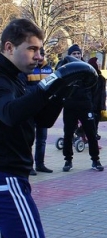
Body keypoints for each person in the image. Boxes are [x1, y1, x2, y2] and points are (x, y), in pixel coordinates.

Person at [0, 18, 97, 238]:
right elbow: (9, 114)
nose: (38, 56)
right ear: (9, 47)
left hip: (13, 176)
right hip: (7, 178)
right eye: (31, 49)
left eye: (40, 50)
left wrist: (64, 89)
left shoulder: (15, 78)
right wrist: (54, 82)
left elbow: (41, 120)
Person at [61, 44, 104, 172]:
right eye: (74, 54)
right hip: (70, 106)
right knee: (68, 133)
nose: (77, 56)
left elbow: (94, 87)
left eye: (78, 53)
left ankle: (95, 160)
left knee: (91, 133)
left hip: (85, 106)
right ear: (69, 55)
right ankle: (68, 160)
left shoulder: (87, 69)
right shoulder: (64, 68)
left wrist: (90, 102)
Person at [26, 47, 53, 175]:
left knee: (42, 139)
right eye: (38, 54)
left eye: (42, 54)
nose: (40, 57)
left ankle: (40, 164)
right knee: (29, 138)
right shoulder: (29, 68)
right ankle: (29, 166)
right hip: (31, 107)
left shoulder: (49, 69)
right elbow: (24, 87)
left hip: (44, 108)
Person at [88, 57, 107, 148]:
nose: (99, 64)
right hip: (92, 105)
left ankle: (93, 141)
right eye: (97, 63)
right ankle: (93, 143)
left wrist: (103, 106)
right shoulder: (91, 77)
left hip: (99, 105)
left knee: (95, 124)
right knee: (91, 125)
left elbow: (103, 94)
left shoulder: (100, 76)